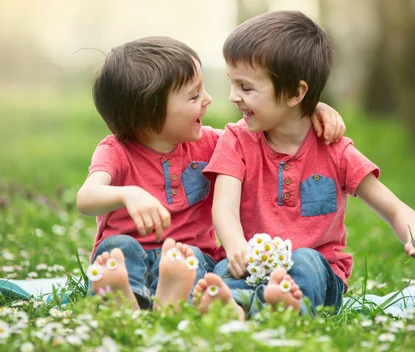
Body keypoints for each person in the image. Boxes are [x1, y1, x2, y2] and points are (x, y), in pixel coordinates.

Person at [75, 36, 347, 310]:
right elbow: (86, 198)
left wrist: (307, 109)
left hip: (186, 259)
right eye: (194, 96)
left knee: (189, 255)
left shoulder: (212, 144)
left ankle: (173, 300)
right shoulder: (115, 151)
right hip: (130, 258)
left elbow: (260, 130)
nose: (208, 100)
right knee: (119, 246)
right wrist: (127, 194)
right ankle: (121, 298)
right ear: (148, 113)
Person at [200, 11, 415, 318]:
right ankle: (235, 307)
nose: (234, 97)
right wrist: (236, 247)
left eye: (246, 88)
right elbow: (224, 206)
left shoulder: (335, 151)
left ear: (296, 93)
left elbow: (394, 208)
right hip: (248, 261)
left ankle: (281, 308)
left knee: (304, 262)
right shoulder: (236, 141)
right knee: (223, 270)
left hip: (317, 272)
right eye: (232, 84)